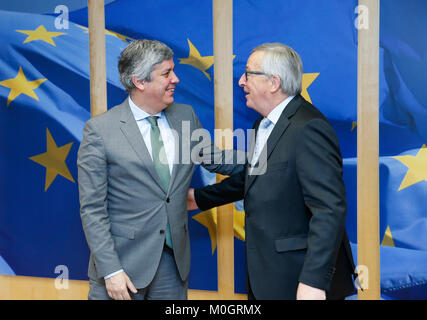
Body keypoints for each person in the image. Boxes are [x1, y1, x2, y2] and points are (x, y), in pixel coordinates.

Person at [188, 43, 356, 300]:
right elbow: (254, 179)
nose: (241, 81)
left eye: (248, 74)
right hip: (267, 275)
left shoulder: (309, 128)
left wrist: (313, 282)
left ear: (273, 82)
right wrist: (199, 198)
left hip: (299, 279)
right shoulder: (263, 125)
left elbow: (329, 209)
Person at [77, 39, 242, 300]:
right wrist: (111, 271)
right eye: (166, 73)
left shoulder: (184, 115)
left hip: (172, 265)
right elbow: (93, 210)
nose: (175, 79)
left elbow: (215, 158)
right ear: (140, 82)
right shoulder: (100, 131)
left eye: (173, 70)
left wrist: (269, 156)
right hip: (123, 266)